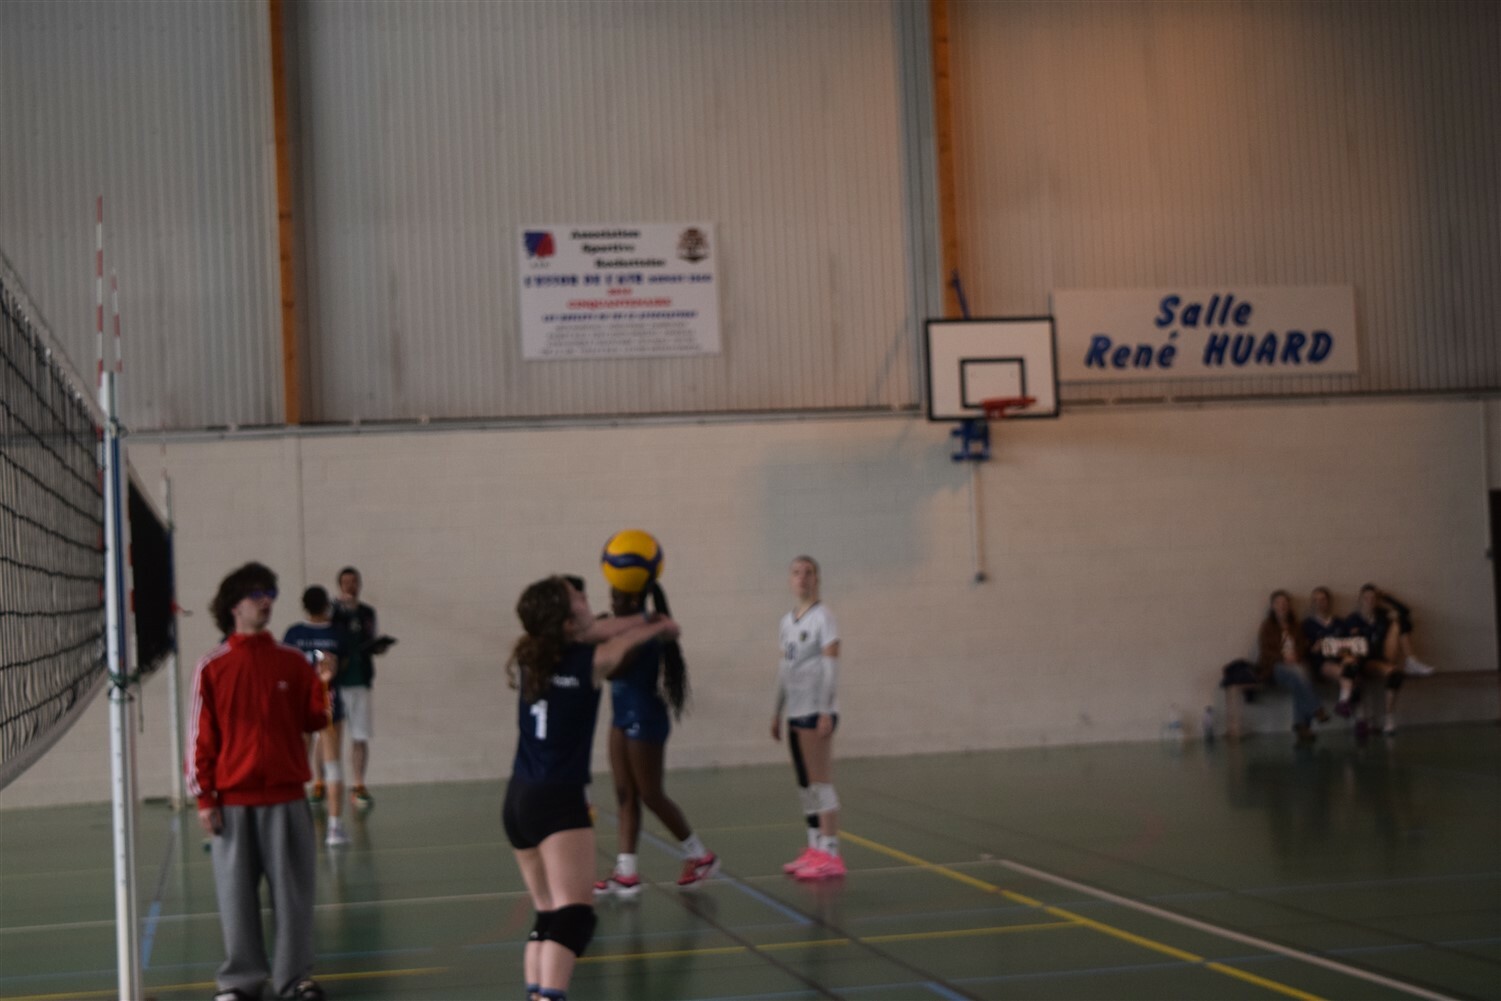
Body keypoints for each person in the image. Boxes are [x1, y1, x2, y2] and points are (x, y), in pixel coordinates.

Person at [504, 575, 680, 1001]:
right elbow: (619, 641)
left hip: (518, 799)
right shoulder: (591, 661)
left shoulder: (531, 656)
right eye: (577, 598)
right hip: (557, 800)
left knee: (548, 914)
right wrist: (660, 626)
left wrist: (645, 618)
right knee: (575, 916)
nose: (586, 599)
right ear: (567, 623)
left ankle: (537, 995)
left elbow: (602, 628)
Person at [187, 562, 333, 1001]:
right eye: (256, 594)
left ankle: (295, 980)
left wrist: (323, 684)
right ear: (234, 605)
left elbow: (314, 719)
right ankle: (239, 983)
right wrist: (204, 798)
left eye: (270, 592)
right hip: (233, 802)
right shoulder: (212, 666)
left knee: (293, 896)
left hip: (287, 798)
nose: (266, 601)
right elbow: (200, 738)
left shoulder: (292, 661)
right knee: (236, 899)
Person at [594, 581, 717, 897]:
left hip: (645, 716)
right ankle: (627, 872)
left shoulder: (645, 633)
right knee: (624, 794)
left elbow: (611, 669)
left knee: (650, 794)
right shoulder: (623, 628)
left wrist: (600, 637)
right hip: (621, 716)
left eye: (619, 597)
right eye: (612, 596)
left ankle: (699, 855)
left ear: (635, 597)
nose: (613, 602)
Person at [771, 555, 845, 880]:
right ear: (790, 580)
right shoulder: (786, 622)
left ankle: (831, 852)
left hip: (817, 711)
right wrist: (777, 710)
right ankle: (815, 846)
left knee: (820, 782)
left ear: (817, 579)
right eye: (796, 572)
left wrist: (826, 710)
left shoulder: (823, 617)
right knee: (805, 785)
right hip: (796, 711)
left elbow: (830, 666)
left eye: (808, 572)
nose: (802, 577)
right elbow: (784, 669)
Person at [283, 586, 349, 847]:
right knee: (333, 765)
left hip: (300, 705)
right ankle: (334, 827)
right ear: (325, 606)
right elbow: (343, 665)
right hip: (328, 703)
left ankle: (294, 827)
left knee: (297, 765)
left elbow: (287, 670)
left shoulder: (293, 634)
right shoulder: (337, 634)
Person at [331, 566, 391, 809]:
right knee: (329, 736)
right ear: (340, 585)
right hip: (337, 683)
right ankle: (324, 784)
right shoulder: (333, 612)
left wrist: (378, 647)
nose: (351, 586)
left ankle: (358, 785)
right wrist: (340, 610)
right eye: (346, 582)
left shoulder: (367, 612)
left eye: (354, 582)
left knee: (360, 735)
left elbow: (369, 639)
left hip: (361, 680)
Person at [1344, 583, 1430, 736]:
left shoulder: (1382, 615)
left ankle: (1411, 661)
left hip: (1383, 655)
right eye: (1366, 598)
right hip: (1364, 660)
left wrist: (1387, 598)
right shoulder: (1353, 619)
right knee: (1355, 671)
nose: (1370, 601)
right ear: (1360, 600)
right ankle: (1361, 719)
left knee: (1400, 621)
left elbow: (1405, 612)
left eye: (1373, 598)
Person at [1256, 590, 1328, 745]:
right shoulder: (1268, 626)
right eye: (1278, 603)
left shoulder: (1295, 626)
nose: (1282, 606)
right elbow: (1265, 651)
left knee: (1299, 676)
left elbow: (1302, 646)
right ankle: (1316, 708)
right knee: (1299, 673)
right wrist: (1283, 657)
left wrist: (1296, 656)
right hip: (1275, 667)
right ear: (1273, 606)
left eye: (1285, 603)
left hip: (1296, 665)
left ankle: (1302, 726)